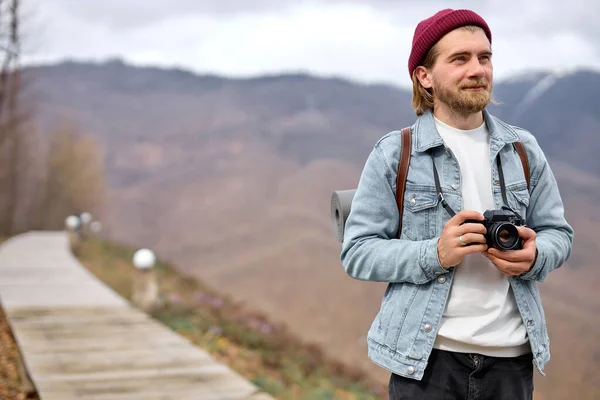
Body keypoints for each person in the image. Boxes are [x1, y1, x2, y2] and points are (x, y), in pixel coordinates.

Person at [340, 8, 574, 400]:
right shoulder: (395, 153)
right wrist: (434, 253)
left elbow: (559, 234)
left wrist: (536, 255)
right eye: (459, 59)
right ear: (424, 76)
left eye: (484, 57)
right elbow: (358, 252)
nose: (477, 69)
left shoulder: (522, 149)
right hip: (429, 362)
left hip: (512, 360)